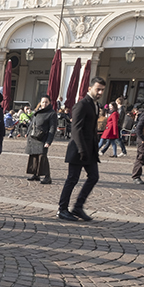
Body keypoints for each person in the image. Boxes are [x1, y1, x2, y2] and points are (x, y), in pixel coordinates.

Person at [57, 77, 105, 222]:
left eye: (102, 90)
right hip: (79, 148)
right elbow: (75, 129)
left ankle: (78, 206)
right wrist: (81, 149)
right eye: (98, 89)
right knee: (72, 179)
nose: (100, 92)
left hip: (89, 149)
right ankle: (62, 209)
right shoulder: (81, 105)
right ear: (89, 88)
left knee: (94, 177)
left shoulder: (95, 105)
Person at [26, 96, 58, 184]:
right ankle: (36, 175)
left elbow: (52, 128)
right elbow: (32, 123)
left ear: (50, 103)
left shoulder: (52, 113)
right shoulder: (37, 112)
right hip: (34, 137)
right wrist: (28, 132)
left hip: (43, 138)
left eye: (46, 102)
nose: (44, 104)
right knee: (34, 156)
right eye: (43, 102)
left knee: (42, 157)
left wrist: (48, 141)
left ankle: (48, 177)